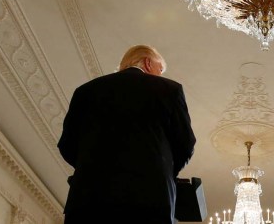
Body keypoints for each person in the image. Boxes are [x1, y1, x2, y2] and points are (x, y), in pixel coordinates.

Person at [58, 45, 196, 224]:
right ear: (147, 63)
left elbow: (67, 144)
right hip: (150, 200)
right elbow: (185, 144)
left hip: (89, 201)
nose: (160, 75)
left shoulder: (85, 91)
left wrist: (92, 169)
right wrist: (162, 172)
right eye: (159, 69)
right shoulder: (170, 89)